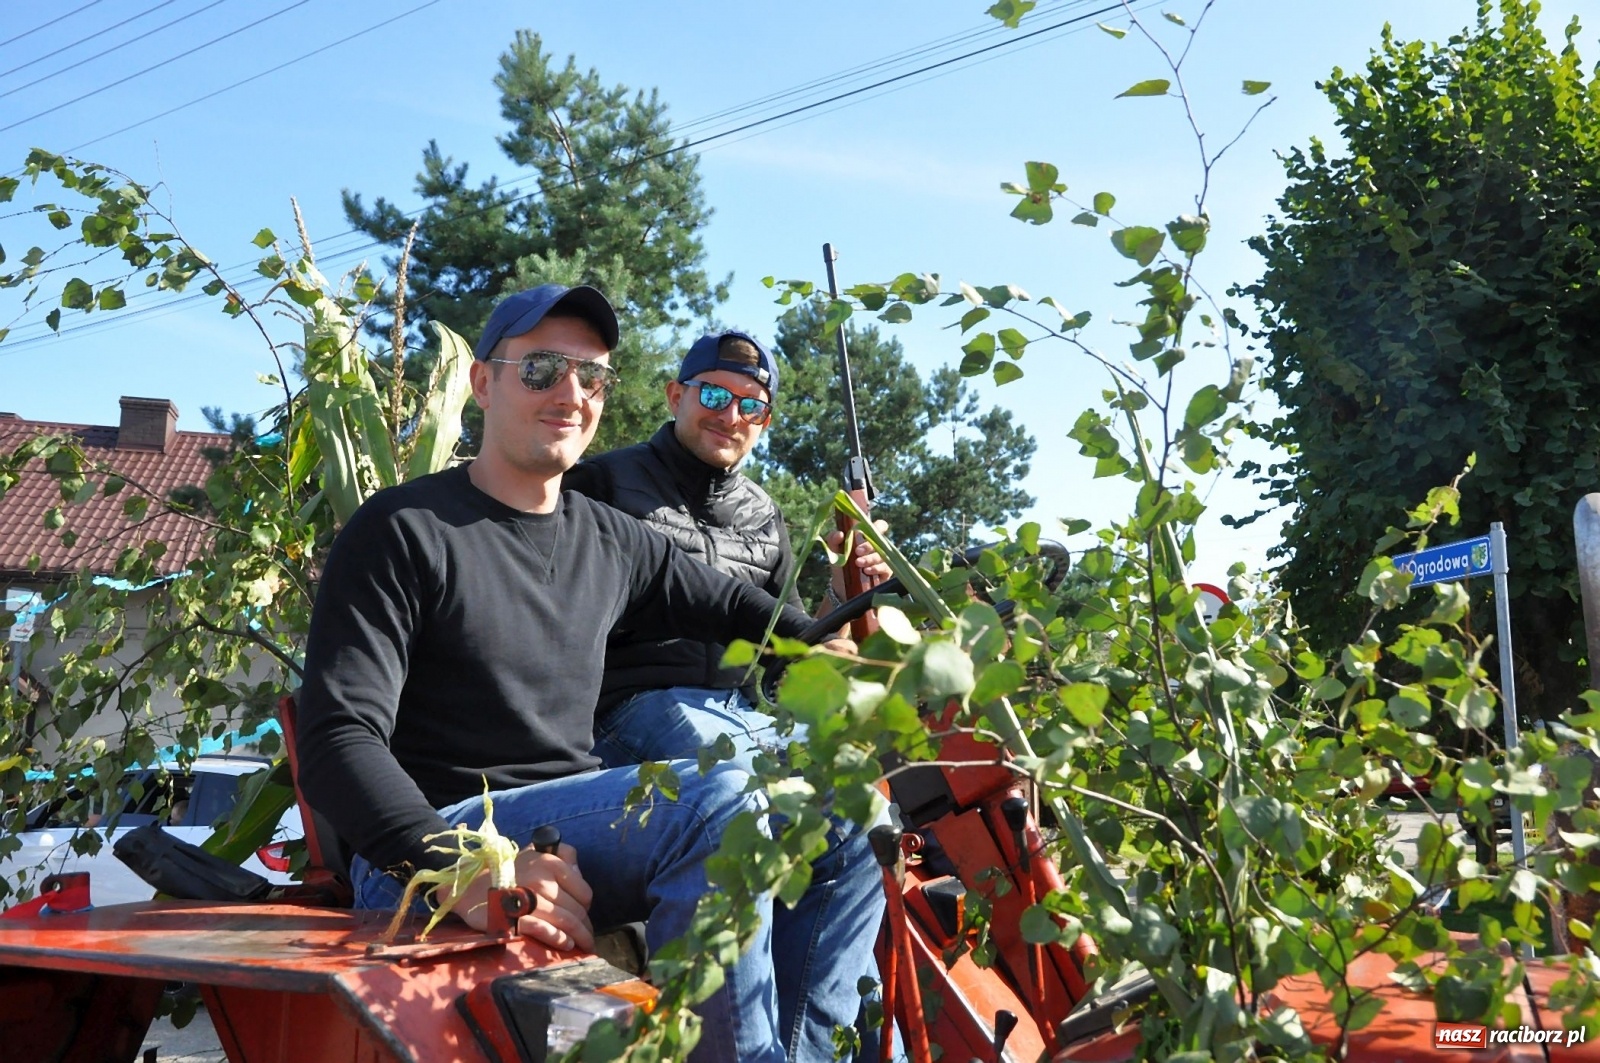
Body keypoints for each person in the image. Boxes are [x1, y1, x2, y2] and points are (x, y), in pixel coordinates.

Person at [295, 284, 843, 1063]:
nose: (571, 393)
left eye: (591, 377)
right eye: (544, 368)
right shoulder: (402, 530)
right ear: (484, 382)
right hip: (432, 852)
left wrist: (840, 643)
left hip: (581, 845)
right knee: (722, 798)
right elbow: (337, 736)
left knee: (848, 819)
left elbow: (734, 603)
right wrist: (467, 872)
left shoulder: (611, 540)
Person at [563, 329, 890, 1062]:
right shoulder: (604, 484)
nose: (731, 414)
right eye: (714, 394)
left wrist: (844, 602)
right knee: (749, 785)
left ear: (765, 422)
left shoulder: (765, 516)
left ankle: (808, 1048)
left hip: (736, 715)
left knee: (864, 804)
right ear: (676, 395)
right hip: (626, 710)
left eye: (752, 404)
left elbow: (780, 659)